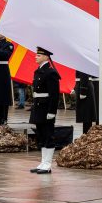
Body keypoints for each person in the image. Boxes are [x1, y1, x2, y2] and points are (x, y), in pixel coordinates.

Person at [30, 46, 61, 174]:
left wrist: (52, 111)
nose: (36, 57)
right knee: (41, 135)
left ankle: (48, 164)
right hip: (38, 106)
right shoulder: (38, 71)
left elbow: (54, 95)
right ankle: (43, 162)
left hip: (45, 107)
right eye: (36, 55)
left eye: (38, 55)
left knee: (48, 135)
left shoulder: (51, 72)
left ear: (46, 57)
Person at [74, 70, 99, 135]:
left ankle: (86, 135)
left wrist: (83, 90)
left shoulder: (81, 61)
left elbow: (84, 73)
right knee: (86, 116)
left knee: (87, 115)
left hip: (85, 86)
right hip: (84, 84)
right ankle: (86, 135)